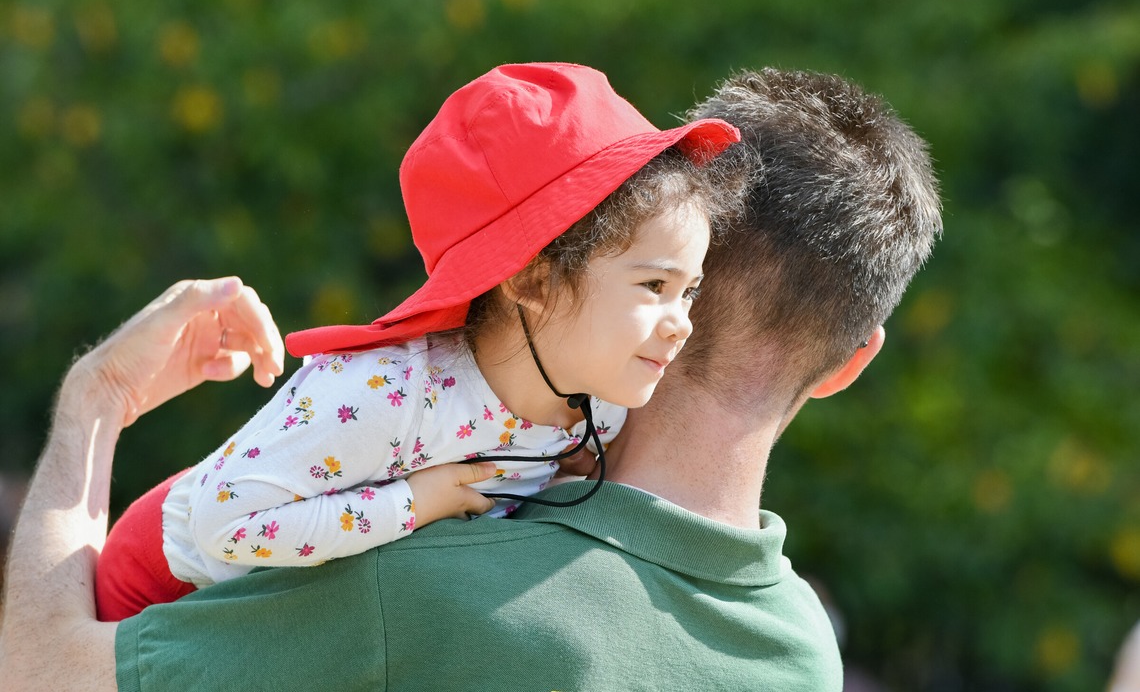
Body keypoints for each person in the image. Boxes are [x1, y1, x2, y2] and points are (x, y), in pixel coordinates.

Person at [0, 67, 941, 691]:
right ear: (850, 362)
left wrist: (97, 401)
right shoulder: (802, 651)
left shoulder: (424, 583)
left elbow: (40, 673)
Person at [93, 62, 743, 620]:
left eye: (689, 291)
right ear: (534, 282)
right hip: (166, 585)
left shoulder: (601, 403)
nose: (680, 320)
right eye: (654, 285)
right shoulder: (390, 394)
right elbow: (221, 525)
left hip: (279, 606)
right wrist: (410, 504)